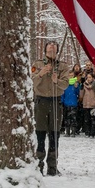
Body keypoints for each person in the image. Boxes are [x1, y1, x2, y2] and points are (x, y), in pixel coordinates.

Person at [32, 42, 66, 175]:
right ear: (45, 48)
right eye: (49, 45)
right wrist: (41, 73)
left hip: (55, 102)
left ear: (57, 49)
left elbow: (66, 84)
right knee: (40, 134)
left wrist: (57, 80)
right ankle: (38, 165)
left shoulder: (62, 66)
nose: (52, 46)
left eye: (54, 45)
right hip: (41, 102)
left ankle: (52, 166)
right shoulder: (37, 64)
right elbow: (32, 80)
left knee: (54, 135)